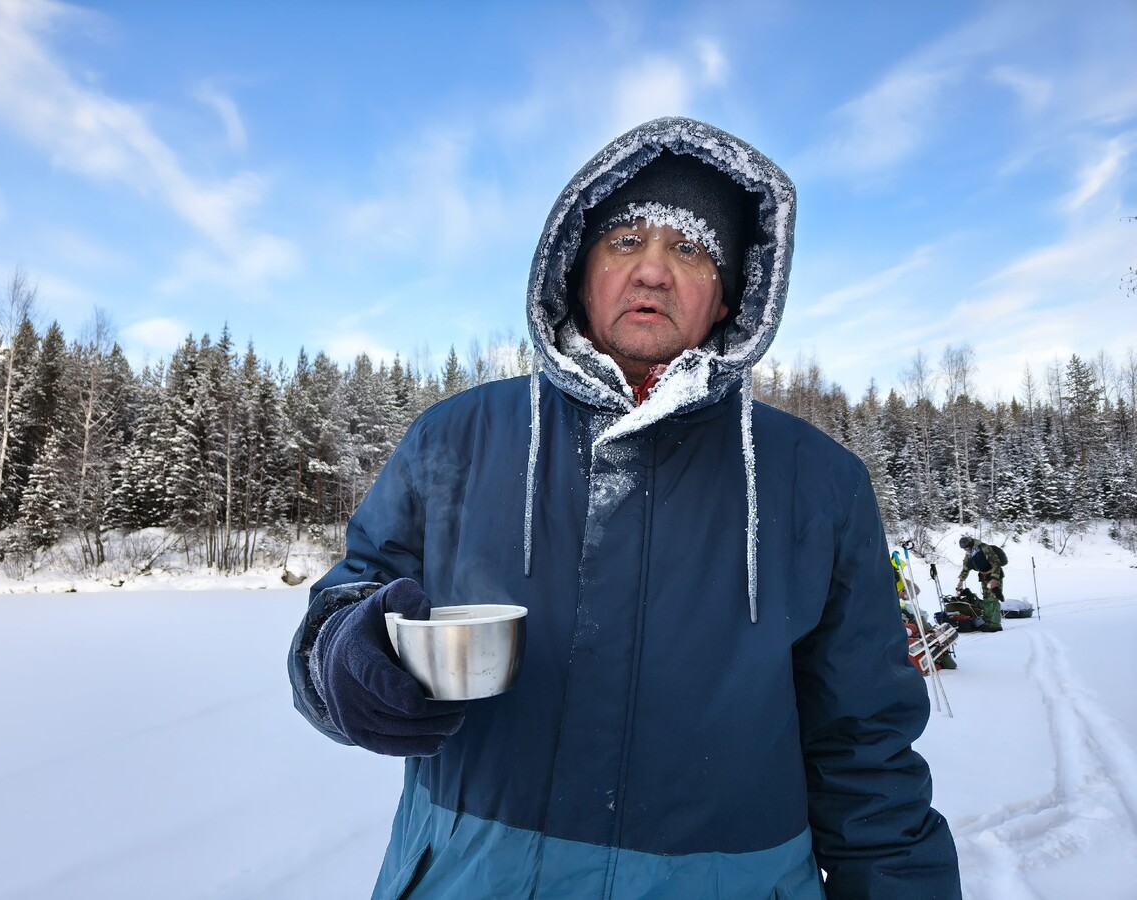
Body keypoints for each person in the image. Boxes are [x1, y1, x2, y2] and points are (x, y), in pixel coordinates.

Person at [289, 117, 961, 898]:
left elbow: (867, 754)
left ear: (729, 297)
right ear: (578, 273)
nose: (652, 271)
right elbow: (346, 602)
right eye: (625, 241)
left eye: (690, 250)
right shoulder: (457, 438)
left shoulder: (819, 483)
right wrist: (342, 659)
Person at [956, 535, 1004, 633]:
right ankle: (988, 622)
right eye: (963, 548)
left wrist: (994, 579)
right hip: (984, 577)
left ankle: (995, 625)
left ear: (970, 544)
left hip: (994, 575)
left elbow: (996, 563)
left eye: (966, 547)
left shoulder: (984, 548)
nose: (965, 549)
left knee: (993, 599)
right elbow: (966, 568)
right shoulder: (969, 554)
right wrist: (961, 580)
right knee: (986, 599)